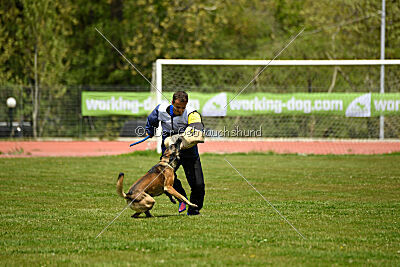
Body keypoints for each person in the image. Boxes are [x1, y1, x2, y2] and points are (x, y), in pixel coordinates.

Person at [145, 91, 205, 216]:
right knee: (164, 177)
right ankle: (181, 197)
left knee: (198, 184)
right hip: (169, 150)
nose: (181, 110)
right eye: (178, 107)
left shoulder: (191, 113)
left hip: (189, 150)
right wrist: (150, 131)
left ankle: (194, 210)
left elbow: (198, 127)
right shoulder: (161, 109)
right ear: (172, 103)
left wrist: (188, 136)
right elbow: (151, 119)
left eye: (183, 107)